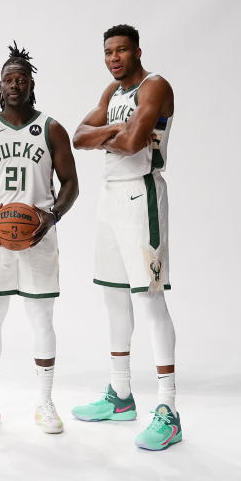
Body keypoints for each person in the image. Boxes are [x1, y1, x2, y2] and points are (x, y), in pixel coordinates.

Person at [70, 24, 181, 451]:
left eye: (121, 51)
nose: (114, 58)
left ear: (137, 51)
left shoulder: (155, 87)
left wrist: (112, 137)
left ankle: (169, 411)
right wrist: (112, 135)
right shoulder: (112, 95)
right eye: (108, 52)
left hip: (142, 196)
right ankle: (120, 397)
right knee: (114, 297)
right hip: (110, 198)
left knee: (149, 299)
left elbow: (136, 142)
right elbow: (78, 136)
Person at [0, 43, 78, 434]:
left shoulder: (51, 128)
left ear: (31, 85)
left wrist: (53, 215)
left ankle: (45, 403)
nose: (15, 85)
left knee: (42, 319)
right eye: (9, 80)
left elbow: (71, 185)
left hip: (39, 238)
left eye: (21, 80)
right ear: (0, 85)